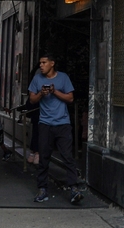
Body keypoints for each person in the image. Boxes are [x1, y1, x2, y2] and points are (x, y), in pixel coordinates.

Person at [28, 52, 83, 205]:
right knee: (43, 158)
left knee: (67, 156)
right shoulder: (38, 78)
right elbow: (32, 99)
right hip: (45, 124)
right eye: (40, 63)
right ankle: (42, 189)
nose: (41, 65)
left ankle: (74, 188)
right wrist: (41, 93)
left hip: (62, 124)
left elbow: (70, 98)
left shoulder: (63, 78)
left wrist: (54, 91)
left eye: (44, 62)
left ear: (52, 63)